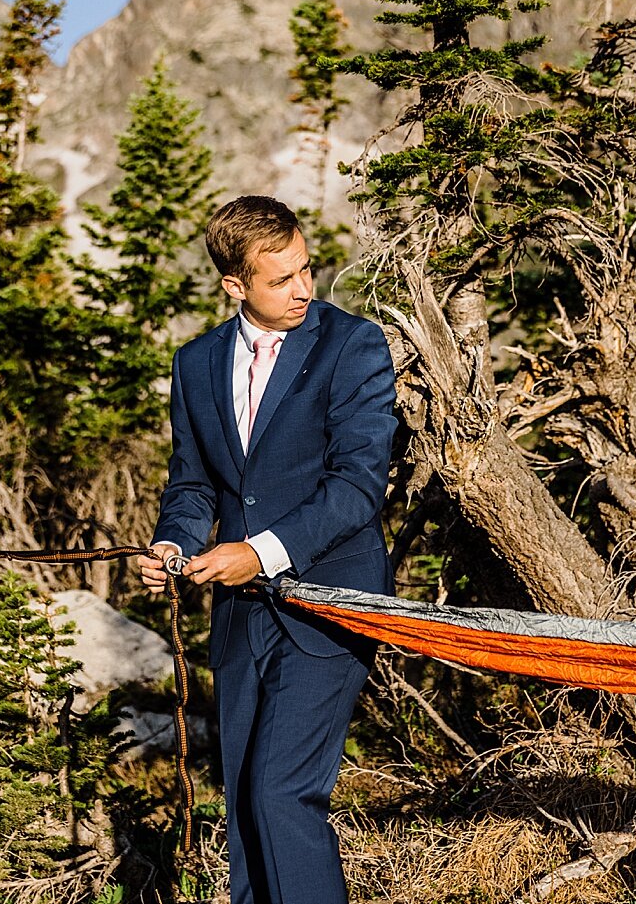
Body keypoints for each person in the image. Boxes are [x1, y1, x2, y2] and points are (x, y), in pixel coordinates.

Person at [138, 195, 397, 904]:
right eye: (282, 278)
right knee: (246, 803)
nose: (304, 288)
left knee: (283, 789)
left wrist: (258, 551)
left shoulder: (353, 345)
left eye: (306, 268)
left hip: (331, 605)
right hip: (240, 617)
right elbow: (193, 481)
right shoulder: (195, 364)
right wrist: (174, 540)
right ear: (234, 285)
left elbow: (357, 487)